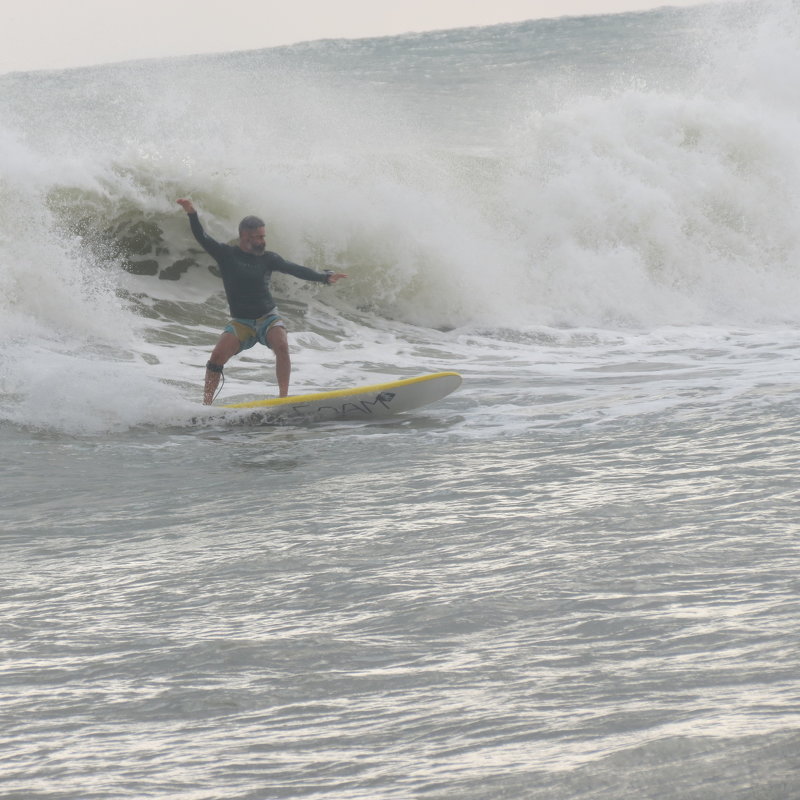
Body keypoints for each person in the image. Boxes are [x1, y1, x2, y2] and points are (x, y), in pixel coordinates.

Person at [177, 199, 347, 404]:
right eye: (258, 237)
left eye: (263, 236)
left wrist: (324, 278)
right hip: (241, 322)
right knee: (216, 359)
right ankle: (206, 405)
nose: (262, 241)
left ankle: (283, 400)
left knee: (282, 346)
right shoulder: (226, 254)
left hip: (268, 318)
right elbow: (202, 237)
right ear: (244, 237)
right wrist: (192, 213)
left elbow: (295, 269)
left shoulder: (268, 258)